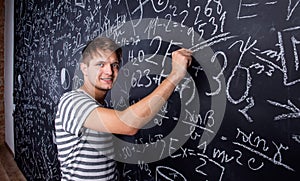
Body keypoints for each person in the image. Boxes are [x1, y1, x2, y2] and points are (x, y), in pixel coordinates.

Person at [54, 36, 192, 180]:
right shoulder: (72, 102)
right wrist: (175, 75)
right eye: (100, 64)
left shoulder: (101, 108)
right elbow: (128, 124)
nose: (109, 71)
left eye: (114, 64)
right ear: (84, 68)